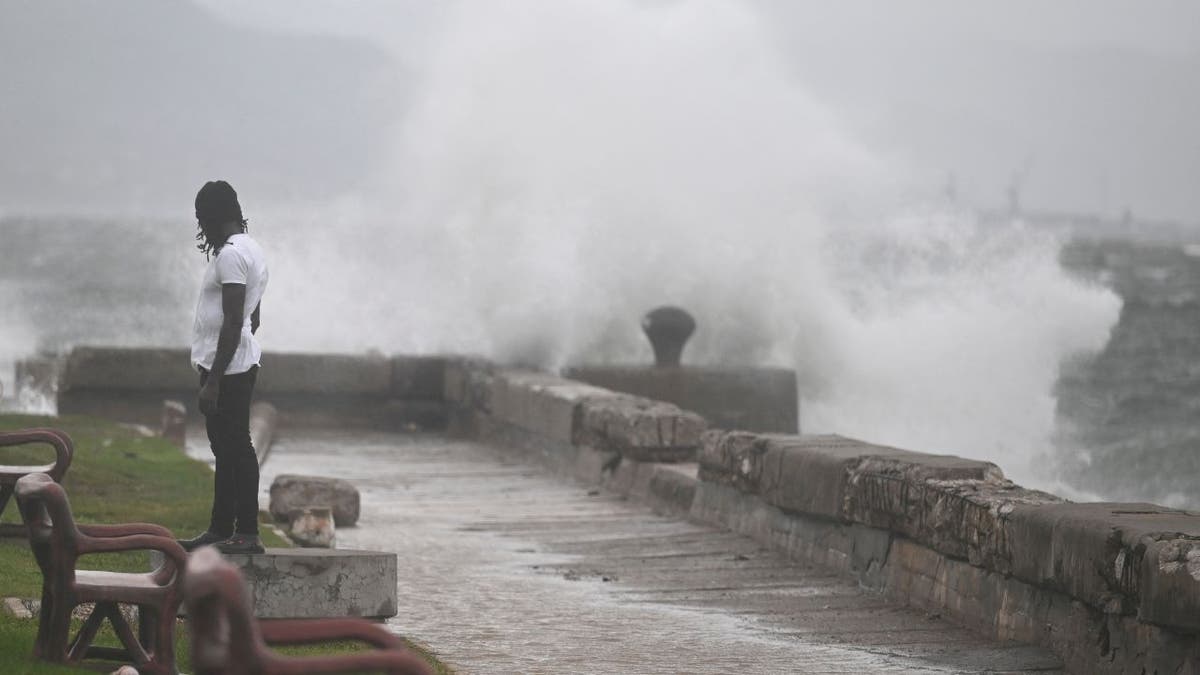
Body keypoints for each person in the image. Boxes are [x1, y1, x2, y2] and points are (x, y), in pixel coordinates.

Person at [177, 180, 269, 555]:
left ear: (215, 218)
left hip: (227, 368)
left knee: (237, 446)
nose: (201, 229)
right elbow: (254, 314)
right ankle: (220, 529)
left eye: (203, 220)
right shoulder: (252, 248)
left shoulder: (230, 254)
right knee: (226, 448)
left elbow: (234, 321)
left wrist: (213, 380)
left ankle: (246, 531)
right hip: (237, 361)